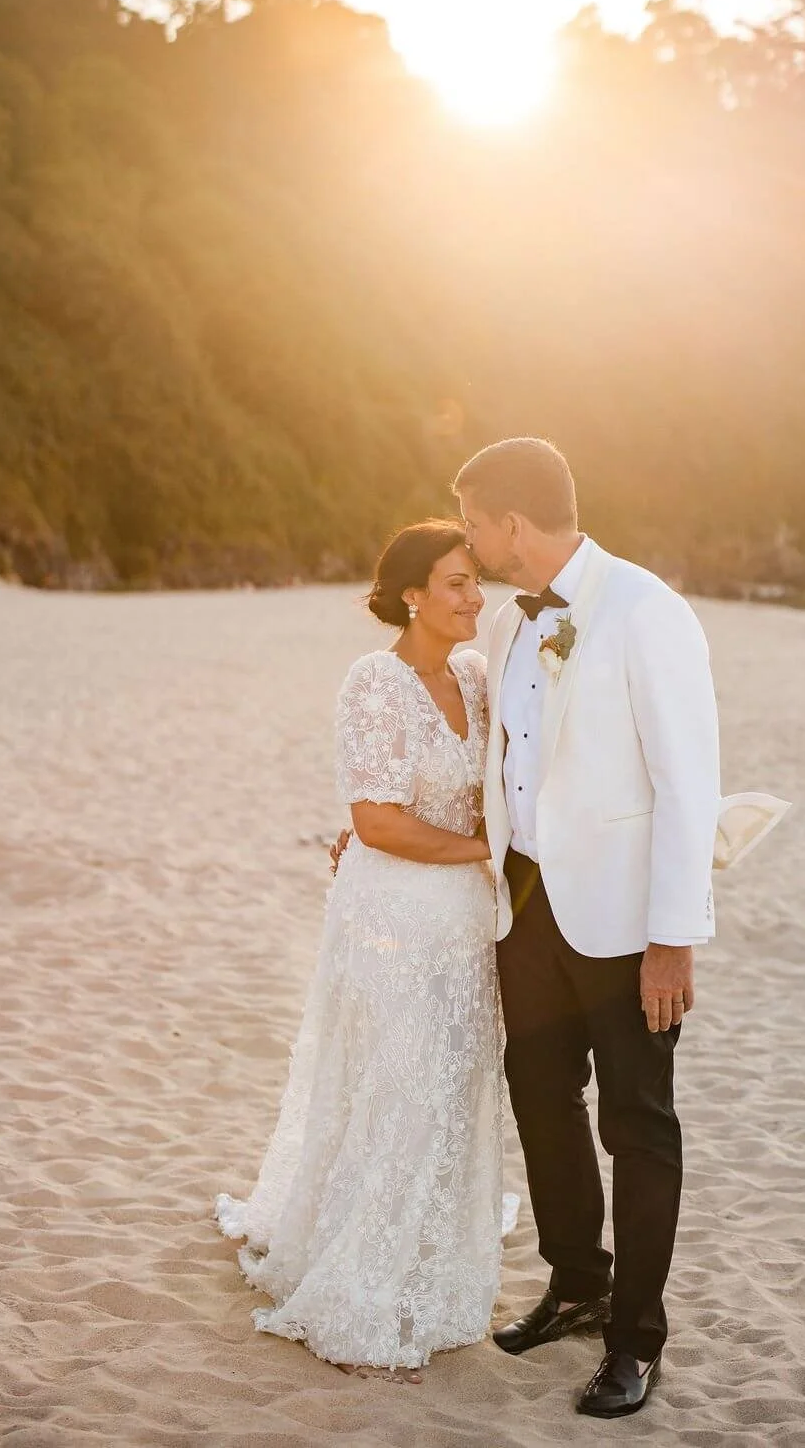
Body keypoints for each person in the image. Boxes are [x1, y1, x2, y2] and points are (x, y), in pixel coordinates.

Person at [454, 437, 721, 1419]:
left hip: (622, 923)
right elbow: (511, 760)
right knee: (540, 1094)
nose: (473, 543)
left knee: (637, 1124)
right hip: (527, 904)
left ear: (511, 522)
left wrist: (672, 935)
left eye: (477, 523)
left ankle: (635, 1335)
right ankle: (575, 1276)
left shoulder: (647, 611)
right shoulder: (515, 623)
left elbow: (690, 783)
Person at [216, 520, 503, 1375]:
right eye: (455, 581)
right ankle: (355, 1270)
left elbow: (503, 787)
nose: (472, 596)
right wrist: (484, 851)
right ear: (412, 592)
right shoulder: (375, 682)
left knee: (451, 1089)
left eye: (476, 579)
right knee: (395, 1085)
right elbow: (374, 821)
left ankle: (428, 1260)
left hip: (467, 927)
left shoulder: (480, 676)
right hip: (392, 918)